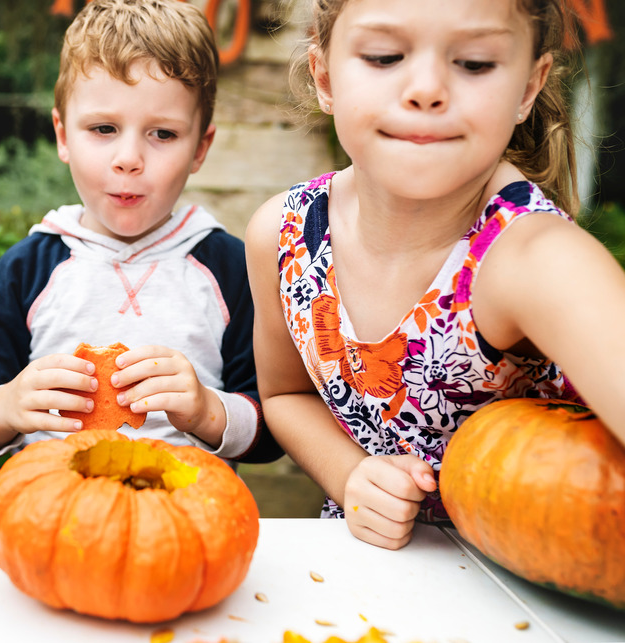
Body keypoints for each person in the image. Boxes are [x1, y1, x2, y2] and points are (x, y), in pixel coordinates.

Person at [246, 0, 625, 549]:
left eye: (473, 63)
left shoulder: (536, 260)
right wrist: (350, 474)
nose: (426, 88)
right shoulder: (283, 235)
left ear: (527, 88)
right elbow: (285, 395)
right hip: (367, 584)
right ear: (324, 77)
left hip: (535, 599)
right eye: (384, 56)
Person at [0, 0, 281, 465]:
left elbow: (270, 432)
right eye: (103, 128)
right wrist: (5, 406)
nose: (129, 158)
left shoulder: (229, 269)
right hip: (58, 507)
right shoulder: (27, 269)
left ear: (200, 147)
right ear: (63, 135)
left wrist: (208, 411)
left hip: (186, 510)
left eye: (162, 134)